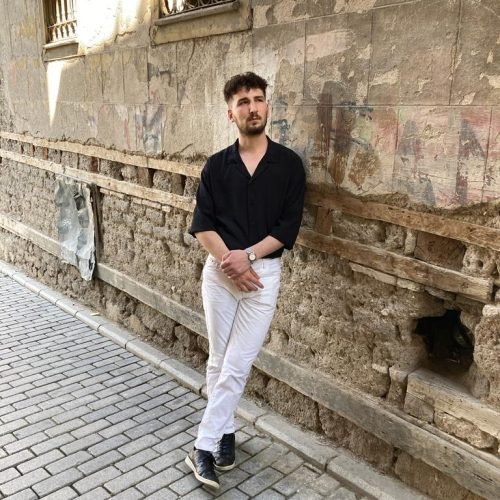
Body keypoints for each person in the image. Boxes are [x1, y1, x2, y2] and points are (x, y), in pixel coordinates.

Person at [186, 72, 306, 489]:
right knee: (219, 361)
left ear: (267, 106)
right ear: (231, 113)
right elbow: (202, 224)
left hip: (262, 278)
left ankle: (202, 446)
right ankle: (225, 433)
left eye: (258, 99)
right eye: (243, 102)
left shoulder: (288, 165)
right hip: (220, 275)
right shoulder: (217, 166)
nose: (252, 107)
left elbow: (288, 227)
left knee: (237, 365)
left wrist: (248, 257)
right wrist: (229, 262)